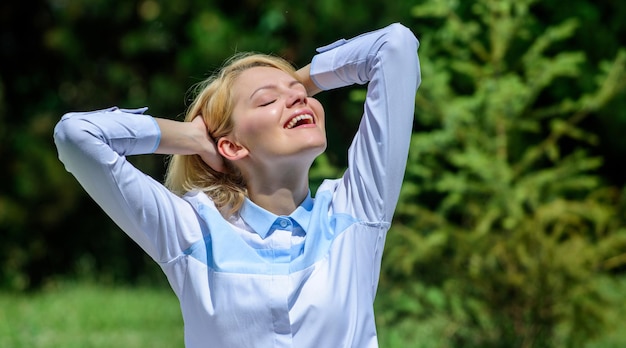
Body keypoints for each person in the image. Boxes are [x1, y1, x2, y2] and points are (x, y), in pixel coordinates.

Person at [54, 22, 420, 348]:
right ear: (231, 146)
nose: (297, 98)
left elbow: (395, 47)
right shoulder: (191, 230)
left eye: (301, 95)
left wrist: (302, 81)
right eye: (268, 100)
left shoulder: (354, 209)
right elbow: (76, 136)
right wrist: (193, 137)